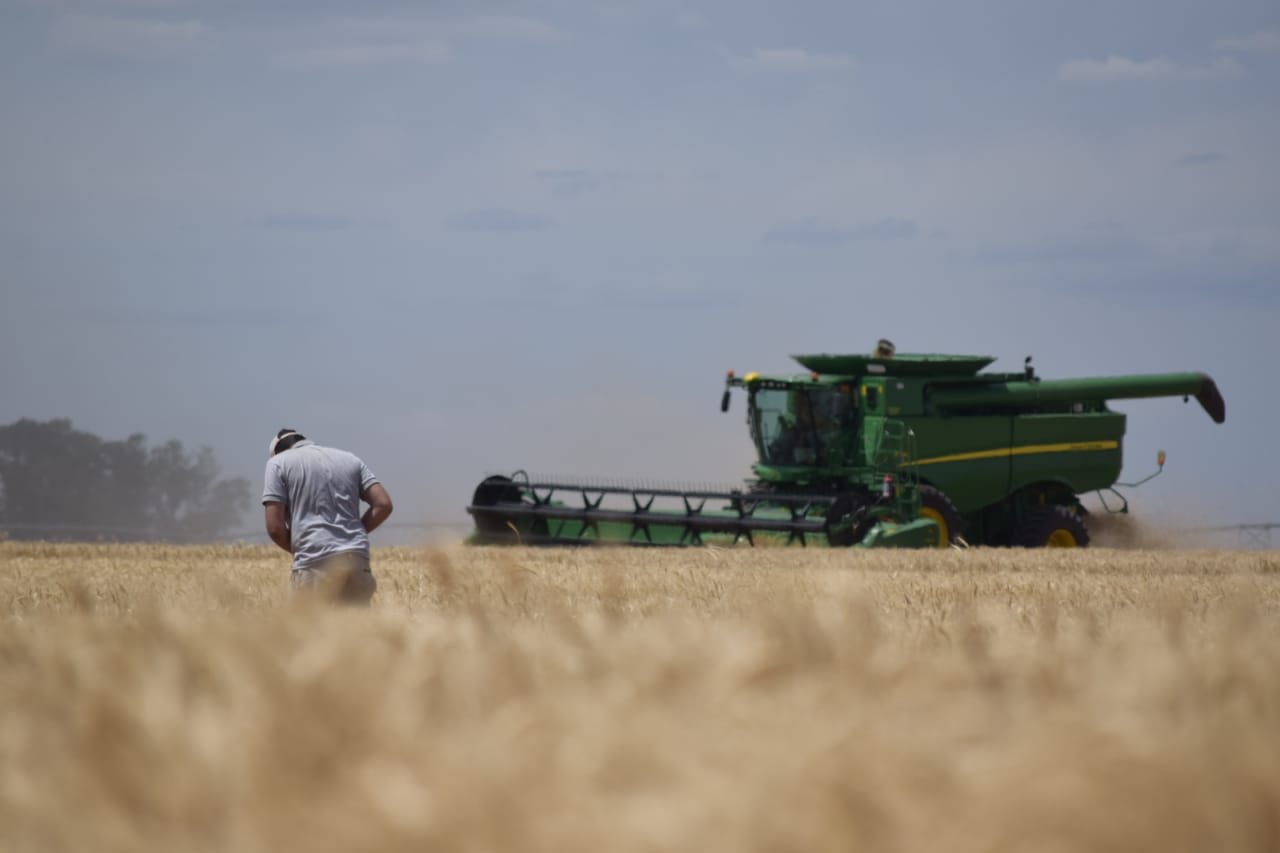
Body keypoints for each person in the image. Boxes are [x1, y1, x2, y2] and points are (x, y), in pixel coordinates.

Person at [262, 428, 393, 605]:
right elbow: (383, 504)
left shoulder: (277, 463)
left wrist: (302, 548)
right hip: (356, 559)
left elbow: (275, 528)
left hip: (314, 562)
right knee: (358, 631)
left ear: (277, 451)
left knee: (312, 631)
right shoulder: (350, 459)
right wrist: (353, 534)